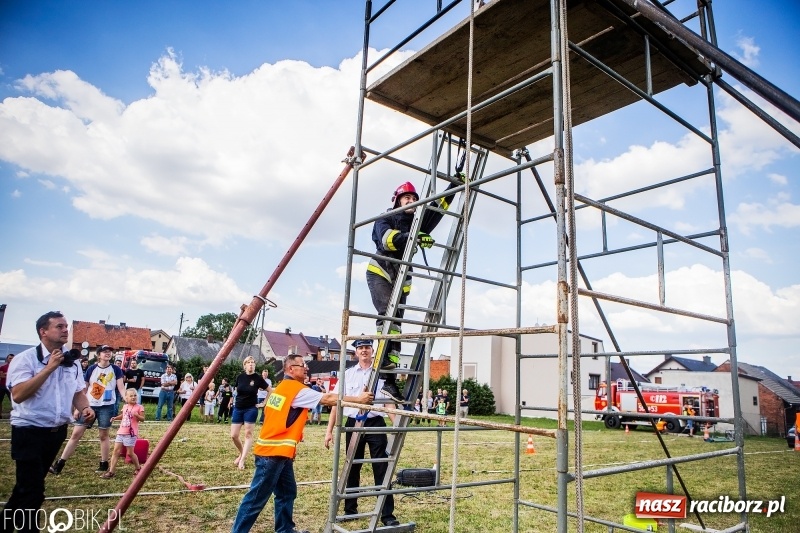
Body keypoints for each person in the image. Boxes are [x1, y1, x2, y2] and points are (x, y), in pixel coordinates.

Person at [231, 353, 374, 533]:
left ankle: (285, 530)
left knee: (286, 493)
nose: (306, 367)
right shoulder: (295, 390)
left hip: (278, 452)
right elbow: (328, 399)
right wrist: (358, 399)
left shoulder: (282, 388)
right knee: (255, 499)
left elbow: (278, 417)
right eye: (302, 364)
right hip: (273, 454)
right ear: (291, 369)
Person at [367, 180, 459, 402]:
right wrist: (411, 236)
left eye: (414, 199)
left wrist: (455, 184)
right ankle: (382, 371)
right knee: (387, 317)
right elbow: (387, 240)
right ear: (397, 200)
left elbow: (438, 209)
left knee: (396, 322)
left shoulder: (418, 221)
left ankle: (389, 381)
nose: (411, 201)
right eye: (406, 198)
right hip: (381, 270)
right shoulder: (385, 218)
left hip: (403, 274)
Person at [3, 312, 94, 533]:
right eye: (59, 326)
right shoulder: (25, 360)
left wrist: (85, 407)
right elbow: (19, 394)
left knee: (25, 489)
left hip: (56, 432)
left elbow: (77, 391)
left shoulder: (71, 363)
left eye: (66, 327)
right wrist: (48, 368)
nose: (65, 330)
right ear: (43, 331)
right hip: (28, 431)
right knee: (33, 492)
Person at [324, 339, 400, 527]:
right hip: (353, 423)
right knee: (352, 467)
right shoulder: (347, 374)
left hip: (375, 423)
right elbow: (336, 403)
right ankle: (350, 510)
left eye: (367, 347)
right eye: (360, 348)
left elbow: (389, 404)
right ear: (356, 352)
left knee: (382, 467)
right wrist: (329, 431)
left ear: (372, 351)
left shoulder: (382, 375)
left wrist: (398, 426)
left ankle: (387, 514)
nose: (364, 350)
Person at [49, 345, 126, 474]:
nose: (108, 354)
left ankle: (103, 464)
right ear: (98, 355)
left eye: (109, 352)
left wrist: (127, 400)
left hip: (107, 406)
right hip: (89, 405)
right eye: (104, 352)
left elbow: (121, 388)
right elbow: (82, 389)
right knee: (76, 434)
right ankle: (60, 464)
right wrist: (79, 408)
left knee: (103, 435)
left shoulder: (116, 369)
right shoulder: (91, 369)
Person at [231, 356, 269, 469]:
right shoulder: (240, 377)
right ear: (245, 365)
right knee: (234, 435)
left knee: (248, 434)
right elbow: (237, 391)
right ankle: (242, 453)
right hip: (238, 407)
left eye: (253, 362)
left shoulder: (257, 378)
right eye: (249, 362)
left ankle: (242, 460)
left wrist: (263, 403)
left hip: (251, 408)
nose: (251, 364)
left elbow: (270, 390)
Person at [101, 388, 145, 479]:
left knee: (130, 453)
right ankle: (111, 471)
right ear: (126, 397)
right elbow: (123, 416)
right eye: (131, 396)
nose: (133, 397)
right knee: (115, 451)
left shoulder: (139, 407)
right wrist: (115, 418)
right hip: (121, 432)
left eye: (135, 395)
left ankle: (138, 468)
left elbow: (143, 419)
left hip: (130, 433)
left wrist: (137, 416)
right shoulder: (125, 406)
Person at [0, 353, 14, 419]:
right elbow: (1, 375)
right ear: (7, 359)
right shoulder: (3, 367)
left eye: (12, 358)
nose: (11, 359)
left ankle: (14, 414)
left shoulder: (16, 367)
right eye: (10, 358)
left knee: (13, 401)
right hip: (2, 386)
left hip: (11, 386)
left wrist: (6, 374)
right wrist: (9, 374)